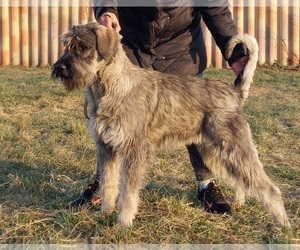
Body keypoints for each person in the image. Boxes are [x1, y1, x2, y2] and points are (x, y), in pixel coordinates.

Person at [91, 2, 248, 215]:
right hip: (132, 48)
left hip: (180, 49)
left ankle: (207, 185)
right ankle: (104, 186)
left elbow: (215, 7)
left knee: (195, 120)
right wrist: (106, 10)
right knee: (111, 121)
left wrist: (236, 53)